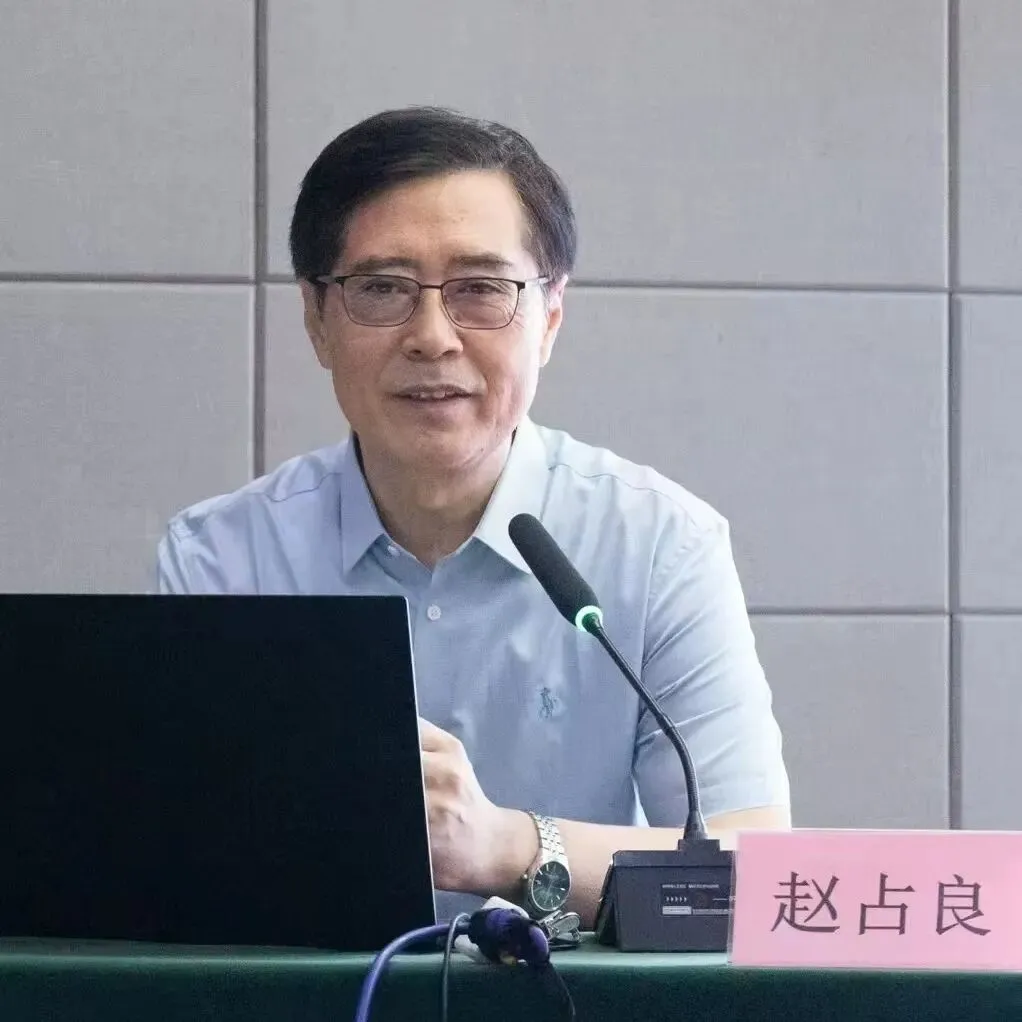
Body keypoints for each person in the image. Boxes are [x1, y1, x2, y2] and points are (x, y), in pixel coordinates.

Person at [157, 106, 790, 926]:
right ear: (316, 319)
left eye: (481, 290)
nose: (432, 338)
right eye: (382, 289)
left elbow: (751, 872)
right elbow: (178, 855)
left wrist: (511, 848)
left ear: (550, 317)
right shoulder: (223, 558)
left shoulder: (659, 546)